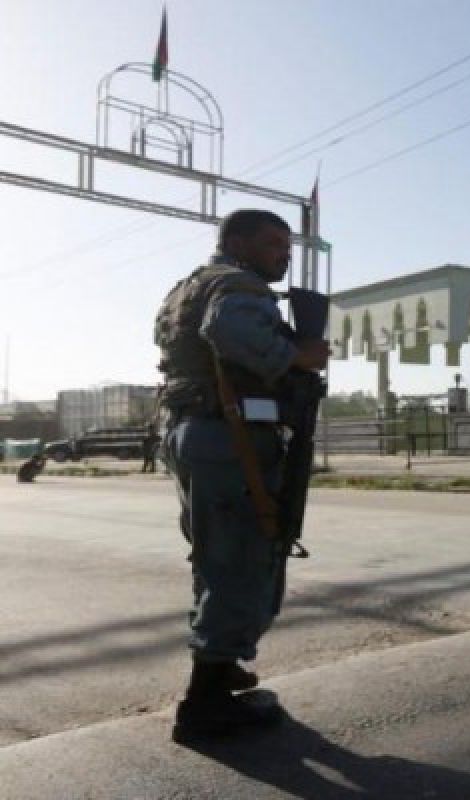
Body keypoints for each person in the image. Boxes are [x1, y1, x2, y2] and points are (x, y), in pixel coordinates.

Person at [155, 209, 329, 743]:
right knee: (242, 559)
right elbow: (229, 331)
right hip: (229, 439)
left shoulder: (188, 286)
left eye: (288, 245)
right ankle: (204, 703)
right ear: (237, 242)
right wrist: (298, 355)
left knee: (215, 555)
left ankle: (220, 661)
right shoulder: (238, 286)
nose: (284, 254)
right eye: (273, 243)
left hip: (194, 432)